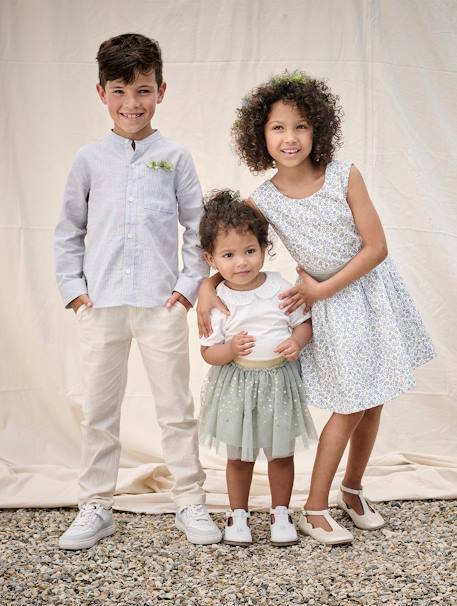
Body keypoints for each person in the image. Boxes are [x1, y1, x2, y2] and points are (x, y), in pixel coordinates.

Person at [198, 71, 436, 545]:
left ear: (318, 130)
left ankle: (353, 488)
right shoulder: (262, 199)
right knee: (349, 405)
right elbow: (230, 245)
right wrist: (208, 287)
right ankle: (313, 506)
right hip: (330, 311)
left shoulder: (344, 175)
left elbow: (376, 249)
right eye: (278, 128)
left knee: (373, 399)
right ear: (259, 137)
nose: (290, 138)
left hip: (371, 293)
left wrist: (321, 290)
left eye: (301, 126)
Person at [54, 33, 221, 550]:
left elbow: (198, 229)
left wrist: (186, 289)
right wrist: (76, 292)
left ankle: (190, 499)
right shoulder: (88, 160)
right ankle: (96, 504)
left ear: (162, 90)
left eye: (144, 90)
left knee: (175, 407)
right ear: (102, 92)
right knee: (99, 411)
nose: (133, 103)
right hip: (100, 305)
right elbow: (68, 230)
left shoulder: (174, 157)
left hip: (160, 305)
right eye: (121, 90)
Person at [198, 190, 317, 546]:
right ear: (211, 258)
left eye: (250, 251)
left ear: (264, 249)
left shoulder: (280, 286)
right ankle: (238, 515)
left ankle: (281, 512)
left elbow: (304, 323)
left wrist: (297, 341)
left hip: (279, 383)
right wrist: (230, 349)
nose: (242, 263)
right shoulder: (218, 301)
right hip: (237, 385)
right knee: (239, 455)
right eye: (229, 255)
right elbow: (207, 352)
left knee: (281, 453)